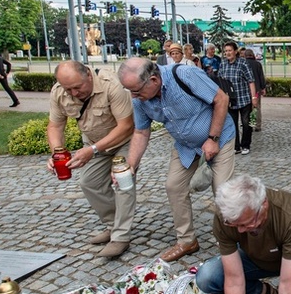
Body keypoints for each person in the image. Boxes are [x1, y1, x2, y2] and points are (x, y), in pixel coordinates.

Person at [117, 57, 237, 262]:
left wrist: (213, 139)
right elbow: (141, 133)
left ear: (154, 80)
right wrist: (130, 166)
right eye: (130, 91)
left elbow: (221, 99)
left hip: (220, 137)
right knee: (173, 186)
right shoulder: (139, 99)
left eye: (136, 91)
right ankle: (187, 240)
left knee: (223, 191)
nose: (133, 96)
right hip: (186, 146)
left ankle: (230, 242)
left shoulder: (185, 75)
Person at [46, 61, 136, 257]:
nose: (74, 94)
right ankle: (113, 226)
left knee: (122, 182)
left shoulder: (111, 84)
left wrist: (93, 150)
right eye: (68, 89)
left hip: (124, 141)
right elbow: (55, 126)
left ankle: (121, 237)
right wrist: (56, 153)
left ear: (88, 74)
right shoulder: (59, 92)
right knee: (89, 183)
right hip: (94, 143)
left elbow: (126, 126)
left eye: (78, 88)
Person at [220, 41, 258, 155]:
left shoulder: (243, 63)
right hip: (230, 100)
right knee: (232, 124)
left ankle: (245, 144)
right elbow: (221, 81)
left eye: (230, 50)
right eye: (226, 51)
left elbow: (251, 81)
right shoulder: (223, 64)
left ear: (235, 51)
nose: (227, 53)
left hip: (244, 98)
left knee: (246, 123)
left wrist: (254, 97)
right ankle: (236, 146)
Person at [244, 49, 266, 131]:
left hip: (246, 90)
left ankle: (249, 124)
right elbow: (261, 76)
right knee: (257, 107)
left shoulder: (244, 64)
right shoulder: (257, 64)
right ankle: (258, 125)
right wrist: (263, 88)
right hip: (257, 89)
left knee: (247, 108)